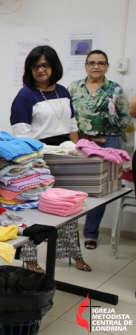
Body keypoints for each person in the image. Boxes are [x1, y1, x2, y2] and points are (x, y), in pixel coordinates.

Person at [10, 45, 90, 272]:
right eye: (35, 66)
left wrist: (77, 152)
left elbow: (72, 126)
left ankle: (72, 255)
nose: (40, 70)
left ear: (54, 66)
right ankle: (31, 260)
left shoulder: (63, 91)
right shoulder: (25, 95)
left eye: (44, 65)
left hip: (66, 155)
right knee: (34, 210)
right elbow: (20, 134)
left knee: (69, 208)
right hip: (37, 159)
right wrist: (35, 162)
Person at [68, 50, 132, 250]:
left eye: (101, 63)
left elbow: (125, 117)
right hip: (80, 143)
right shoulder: (73, 88)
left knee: (100, 191)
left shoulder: (115, 90)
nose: (96, 66)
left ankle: (91, 233)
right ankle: (67, 230)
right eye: (92, 63)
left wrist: (107, 133)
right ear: (86, 65)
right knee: (74, 186)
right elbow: (68, 116)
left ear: (107, 67)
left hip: (108, 143)